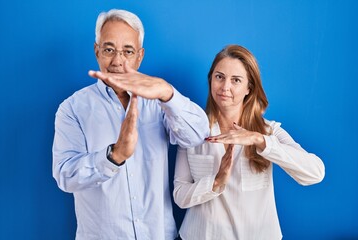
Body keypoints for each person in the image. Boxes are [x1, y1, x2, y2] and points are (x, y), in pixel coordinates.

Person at [52, 9, 209, 240]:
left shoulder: (158, 100)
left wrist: (168, 93)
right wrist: (113, 156)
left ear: (140, 56)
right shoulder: (73, 109)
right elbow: (65, 175)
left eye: (128, 51)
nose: (118, 61)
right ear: (97, 51)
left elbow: (197, 134)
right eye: (109, 50)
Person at [173, 45, 325, 240]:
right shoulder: (192, 132)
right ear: (211, 79)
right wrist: (215, 183)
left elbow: (315, 173)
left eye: (235, 80)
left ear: (249, 88)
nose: (225, 87)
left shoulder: (269, 132)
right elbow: (180, 194)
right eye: (219, 77)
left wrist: (260, 141)